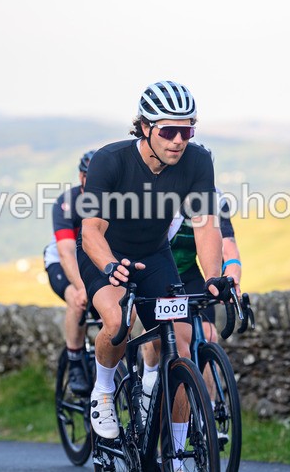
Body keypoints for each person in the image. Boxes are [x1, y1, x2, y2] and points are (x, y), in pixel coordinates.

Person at [77, 80, 226, 466]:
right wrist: (110, 266)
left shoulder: (197, 161)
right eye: (169, 131)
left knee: (181, 344)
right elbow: (90, 230)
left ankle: (175, 452)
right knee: (116, 322)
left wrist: (212, 277)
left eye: (187, 130)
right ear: (145, 128)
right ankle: (105, 391)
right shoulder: (110, 161)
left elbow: (206, 225)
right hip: (107, 254)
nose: (179, 140)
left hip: (155, 255)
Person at [139, 173, 242, 418]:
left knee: (207, 334)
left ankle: (209, 414)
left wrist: (233, 275)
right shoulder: (164, 197)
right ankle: (148, 383)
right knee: (158, 337)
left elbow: (228, 244)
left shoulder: (215, 200)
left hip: (189, 274)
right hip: (160, 274)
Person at [43, 149, 96, 395]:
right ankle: (75, 360)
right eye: (90, 176)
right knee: (78, 300)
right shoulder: (67, 203)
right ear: (81, 176)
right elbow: (65, 252)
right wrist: (82, 287)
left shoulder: (115, 202)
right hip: (63, 262)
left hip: (93, 262)